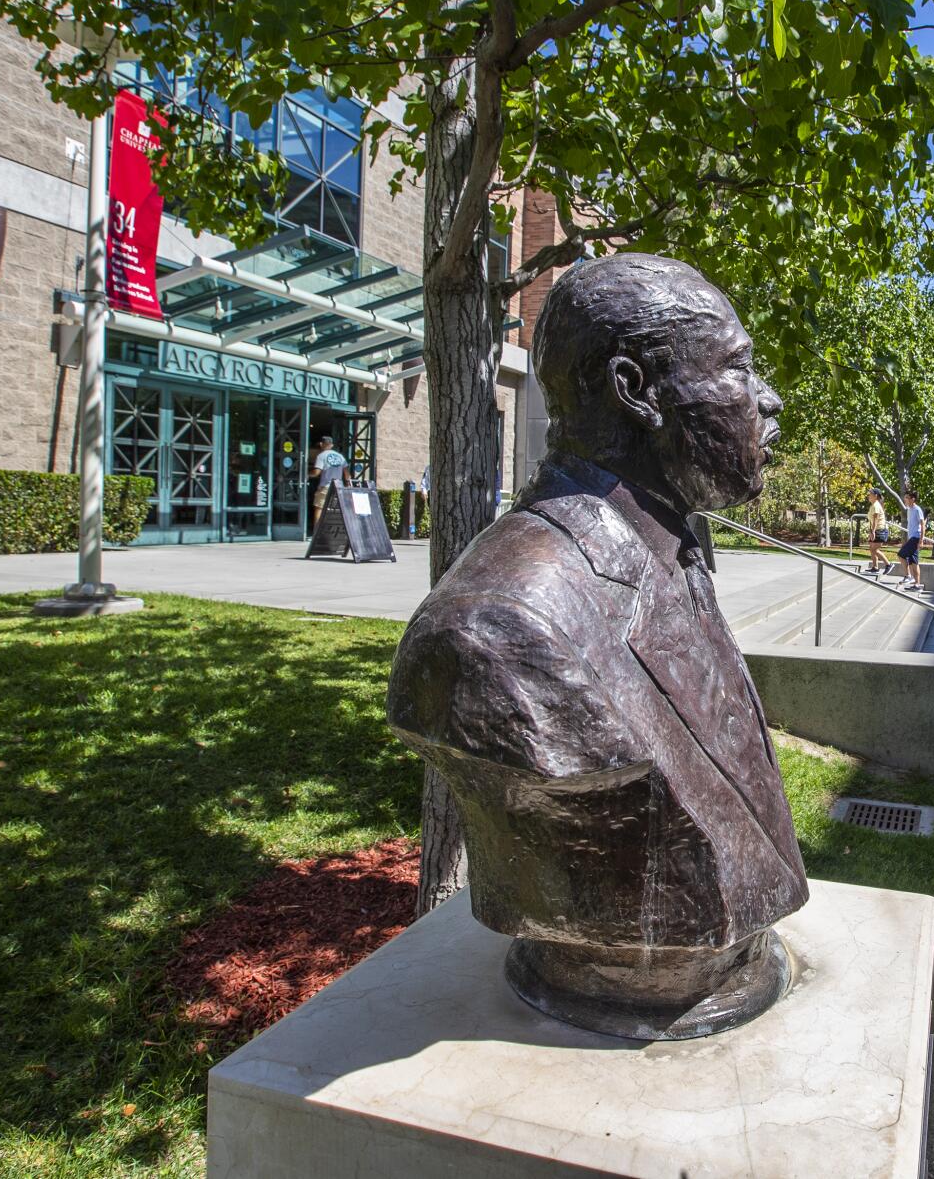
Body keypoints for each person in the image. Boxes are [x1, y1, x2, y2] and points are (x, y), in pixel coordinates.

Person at [389, 252, 804, 1039]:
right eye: (739, 369)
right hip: (598, 1003)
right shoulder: (495, 630)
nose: (767, 398)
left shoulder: (671, 547)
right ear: (635, 389)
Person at [896, 488, 928, 591]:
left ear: (913, 499)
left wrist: (921, 540)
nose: (905, 499)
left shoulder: (917, 509)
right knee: (914, 562)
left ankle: (908, 576)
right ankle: (917, 584)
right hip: (912, 537)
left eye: (907, 498)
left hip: (915, 537)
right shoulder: (909, 509)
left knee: (901, 554)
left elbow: (923, 525)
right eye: (905, 497)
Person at [312, 436, 347, 520]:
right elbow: (347, 474)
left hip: (325, 487)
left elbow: (316, 473)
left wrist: (307, 474)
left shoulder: (321, 456)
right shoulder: (340, 457)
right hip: (338, 487)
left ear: (321, 444)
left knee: (319, 508)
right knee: (335, 510)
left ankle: (317, 531)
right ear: (331, 445)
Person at [864, 488, 891, 574]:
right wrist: (871, 531)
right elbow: (872, 520)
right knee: (872, 548)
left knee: (874, 549)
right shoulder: (873, 505)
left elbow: (875, 519)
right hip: (876, 529)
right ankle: (875, 567)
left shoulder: (876, 505)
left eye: (870, 494)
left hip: (879, 530)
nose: (868, 495)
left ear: (875, 496)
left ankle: (888, 564)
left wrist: (873, 531)